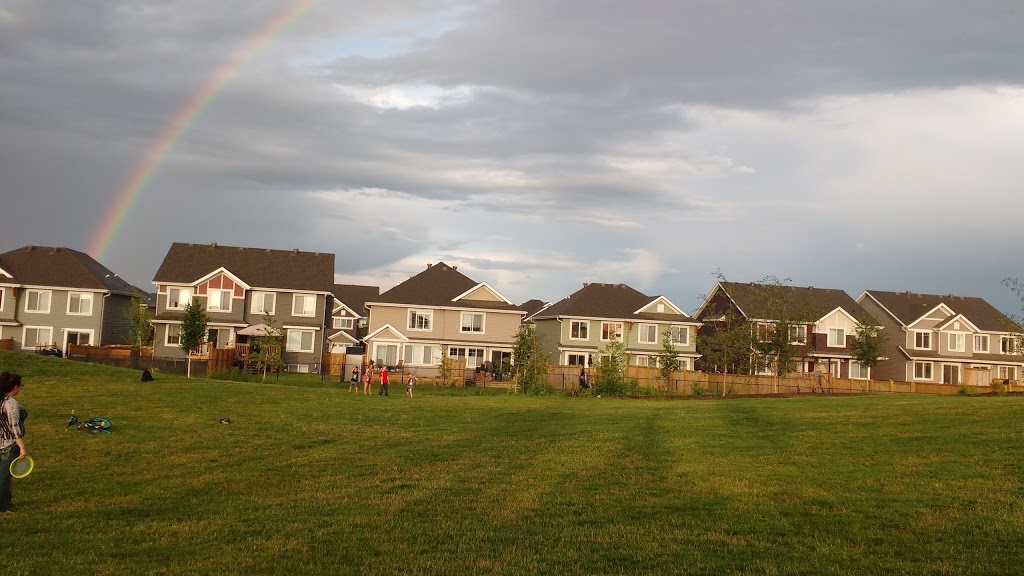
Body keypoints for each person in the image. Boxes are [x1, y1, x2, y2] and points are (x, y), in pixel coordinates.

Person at [0, 372, 28, 513]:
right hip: (8, 445)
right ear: (15, 387)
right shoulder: (10, 404)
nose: (21, 389)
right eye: (20, 386)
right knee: (4, 477)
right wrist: (22, 447)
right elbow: (14, 427)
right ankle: (4, 506)